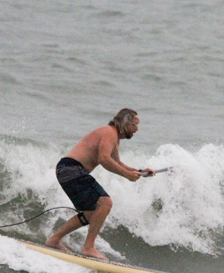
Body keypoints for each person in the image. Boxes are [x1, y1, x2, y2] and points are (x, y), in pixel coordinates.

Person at [45, 108, 154, 259]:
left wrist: (140, 172)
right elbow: (104, 159)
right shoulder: (109, 133)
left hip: (67, 170)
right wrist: (127, 175)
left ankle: (54, 240)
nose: (137, 129)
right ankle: (89, 247)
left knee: (92, 212)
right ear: (126, 123)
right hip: (71, 169)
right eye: (135, 124)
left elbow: (117, 163)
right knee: (105, 203)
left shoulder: (113, 138)